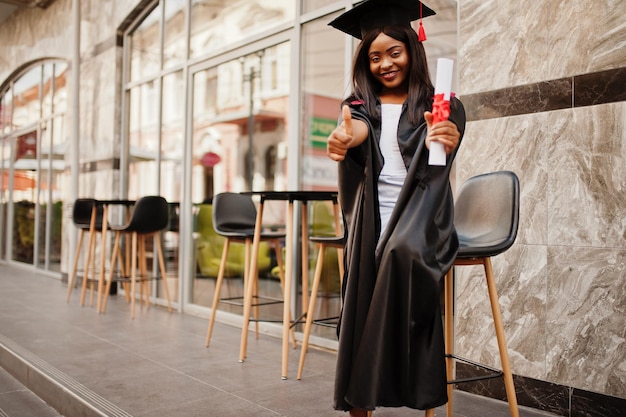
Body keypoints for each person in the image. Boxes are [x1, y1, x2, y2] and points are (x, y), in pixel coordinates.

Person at [326, 1, 466, 416]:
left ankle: (369, 389)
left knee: (399, 251)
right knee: (370, 263)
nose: (384, 63)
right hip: (372, 218)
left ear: (412, 50)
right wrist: (342, 140)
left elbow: (443, 142)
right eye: (374, 56)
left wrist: (448, 134)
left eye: (394, 52)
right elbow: (354, 132)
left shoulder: (440, 102)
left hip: (423, 216)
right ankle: (361, 403)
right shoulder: (356, 107)